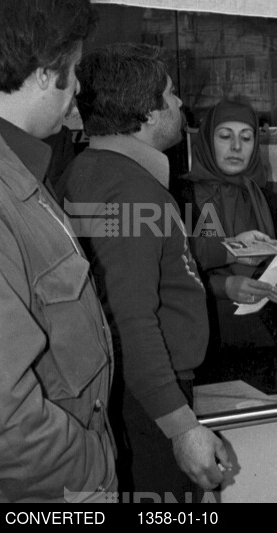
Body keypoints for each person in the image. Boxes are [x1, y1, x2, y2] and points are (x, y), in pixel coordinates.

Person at [60, 44, 229, 501]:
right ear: (148, 112)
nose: (179, 105)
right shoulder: (132, 193)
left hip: (126, 393)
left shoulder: (91, 172)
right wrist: (180, 426)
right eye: (171, 96)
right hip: (144, 404)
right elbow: (129, 318)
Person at [0, 0, 116, 503]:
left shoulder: (19, 171)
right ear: (44, 72)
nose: (78, 89)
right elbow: (3, 427)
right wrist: (94, 472)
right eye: (75, 68)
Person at [178, 99, 277, 385]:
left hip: (263, 343)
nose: (236, 147)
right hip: (205, 348)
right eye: (225, 136)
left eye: (246, 138)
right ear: (208, 140)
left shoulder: (268, 201)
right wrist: (225, 286)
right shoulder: (186, 197)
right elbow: (181, 266)